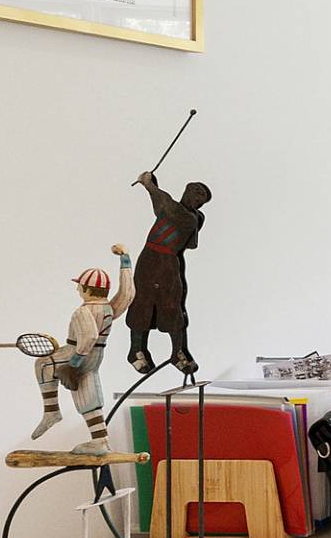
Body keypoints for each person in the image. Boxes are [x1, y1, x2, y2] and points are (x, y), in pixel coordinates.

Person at [31, 246, 133, 452]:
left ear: (87, 290)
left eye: (80, 286)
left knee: (43, 363)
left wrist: (72, 364)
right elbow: (128, 294)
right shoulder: (108, 308)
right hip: (96, 357)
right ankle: (100, 440)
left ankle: (51, 411)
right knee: (87, 395)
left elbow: (89, 336)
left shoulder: (83, 311)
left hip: (78, 353)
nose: (77, 289)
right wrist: (125, 262)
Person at [126, 172, 211, 375]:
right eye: (195, 193)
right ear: (187, 192)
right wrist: (151, 184)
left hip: (169, 261)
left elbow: (160, 198)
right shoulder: (175, 208)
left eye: (201, 198)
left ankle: (178, 352)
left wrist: (148, 182)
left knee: (173, 305)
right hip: (150, 259)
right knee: (142, 302)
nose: (197, 199)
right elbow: (160, 199)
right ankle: (136, 349)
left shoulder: (190, 216)